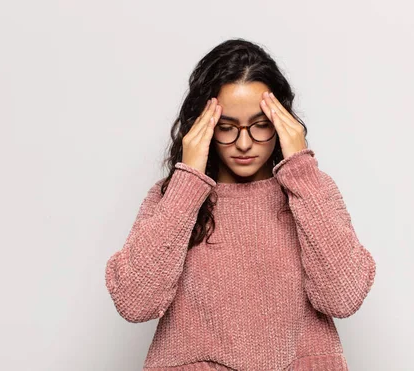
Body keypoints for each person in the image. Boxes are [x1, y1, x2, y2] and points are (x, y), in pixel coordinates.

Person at [104, 38, 377, 371]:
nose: (244, 143)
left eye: (260, 125)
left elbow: (343, 298)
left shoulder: (310, 192)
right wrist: (188, 180)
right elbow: (135, 303)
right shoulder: (172, 197)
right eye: (227, 127)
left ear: (281, 124)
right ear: (203, 127)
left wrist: (300, 171)